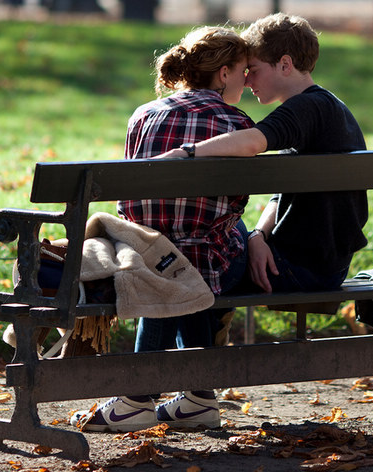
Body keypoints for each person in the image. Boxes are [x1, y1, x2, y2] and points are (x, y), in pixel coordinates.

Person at [73, 26, 254, 433]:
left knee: (167, 257)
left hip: (144, 253)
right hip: (209, 263)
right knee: (212, 244)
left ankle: (146, 397)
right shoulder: (237, 121)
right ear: (223, 73)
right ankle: (189, 396)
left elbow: (128, 203)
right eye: (243, 70)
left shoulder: (144, 114)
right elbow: (241, 198)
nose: (247, 79)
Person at [160, 13, 369, 297]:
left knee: (194, 253)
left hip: (299, 268)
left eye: (254, 69)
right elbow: (280, 196)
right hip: (320, 266)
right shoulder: (324, 107)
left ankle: (200, 340)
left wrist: (186, 153)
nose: (246, 82)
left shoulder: (309, 108)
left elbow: (252, 142)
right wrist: (258, 235)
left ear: (285, 64)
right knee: (201, 251)